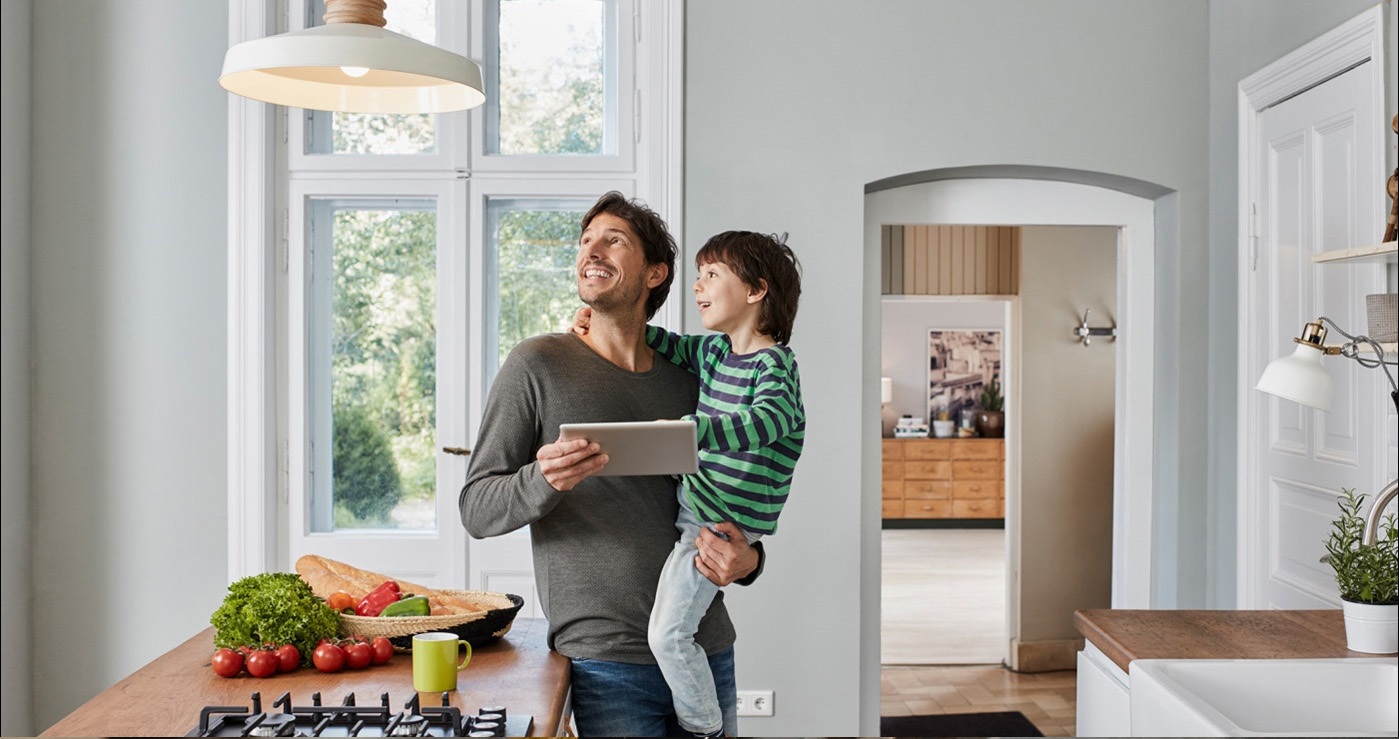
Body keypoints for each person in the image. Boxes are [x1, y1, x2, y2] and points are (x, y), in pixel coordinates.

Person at [458, 192, 764, 738]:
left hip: (704, 645)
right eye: (585, 240)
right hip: (604, 663)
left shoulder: (691, 375)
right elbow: (477, 509)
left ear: (654, 273)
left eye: (613, 240)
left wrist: (751, 560)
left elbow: (739, 486)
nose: (591, 250)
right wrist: (542, 478)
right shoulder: (537, 365)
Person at [574, 230, 805, 737]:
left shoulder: (775, 365)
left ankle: (704, 727)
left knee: (669, 635)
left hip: (714, 527)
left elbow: (770, 420)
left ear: (755, 290)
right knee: (671, 631)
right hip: (700, 510)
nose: (697, 287)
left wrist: (693, 433)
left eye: (711, 275)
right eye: (698, 276)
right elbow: (666, 343)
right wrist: (601, 321)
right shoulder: (717, 353)